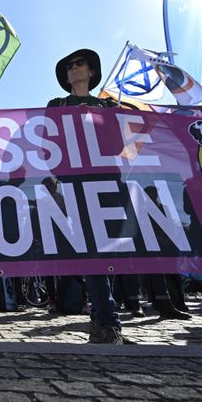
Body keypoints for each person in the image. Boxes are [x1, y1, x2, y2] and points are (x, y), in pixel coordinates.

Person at [48, 48, 125, 344]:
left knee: (110, 248)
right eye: (69, 66)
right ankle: (108, 321)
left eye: (79, 64)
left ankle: (100, 319)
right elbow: (48, 140)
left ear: (91, 71)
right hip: (77, 181)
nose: (73, 68)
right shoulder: (57, 104)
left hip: (108, 178)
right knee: (92, 247)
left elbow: (117, 145)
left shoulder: (106, 107)